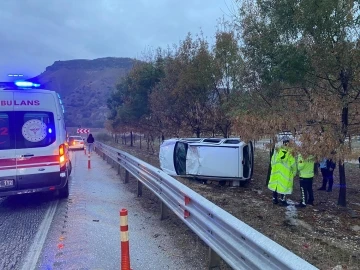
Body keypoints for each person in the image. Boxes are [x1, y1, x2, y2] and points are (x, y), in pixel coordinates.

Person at [268, 137, 297, 206]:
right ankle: (283, 200)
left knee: (275, 185)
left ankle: (274, 199)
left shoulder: (277, 151)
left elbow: (272, 161)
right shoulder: (290, 152)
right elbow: (293, 164)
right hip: (285, 173)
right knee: (284, 187)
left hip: (276, 171)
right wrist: (294, 172)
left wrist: (274, 168)